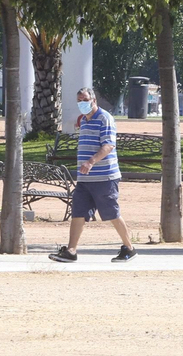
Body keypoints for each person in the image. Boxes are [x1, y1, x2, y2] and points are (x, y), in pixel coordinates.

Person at [48, 87, 136, 263]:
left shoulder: (104, 118)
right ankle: (71, 251)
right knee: (78, 212)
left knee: (111, 213)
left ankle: (130, 248)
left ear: (94, 100)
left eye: (85, 100)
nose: (82, 104)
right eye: (79, 101)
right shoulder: (85, 121)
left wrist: (91, 162)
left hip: (104, 177)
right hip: (85, 179)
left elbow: (109, 145)